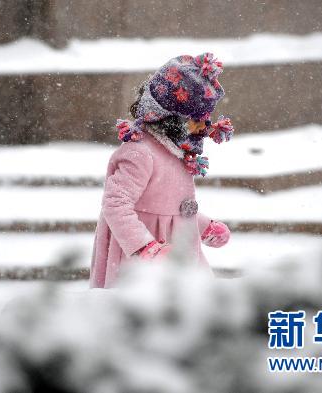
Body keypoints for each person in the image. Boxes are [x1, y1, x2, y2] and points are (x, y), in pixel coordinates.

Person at [89, 53, 234, 289]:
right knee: (148, 318)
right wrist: (145, 247)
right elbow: (115, 205)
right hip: (141, 265)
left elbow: (170, 209)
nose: (204, 125)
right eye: (196, 118)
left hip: (180, 253)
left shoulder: (175, 150)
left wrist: (202, 225)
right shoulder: (140, 153)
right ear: (170, 117)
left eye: (207, 117)